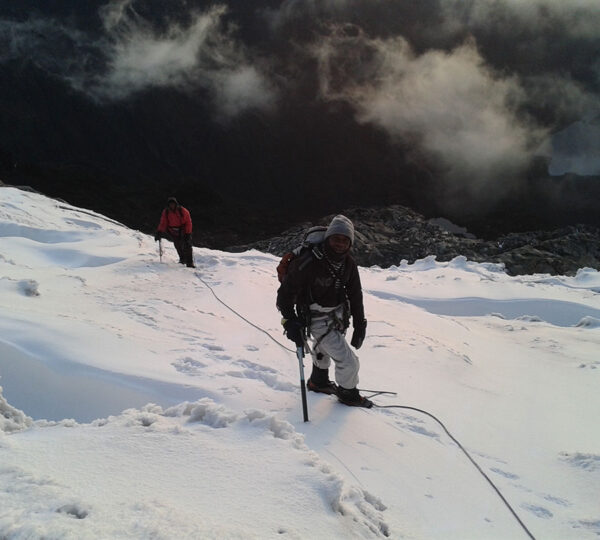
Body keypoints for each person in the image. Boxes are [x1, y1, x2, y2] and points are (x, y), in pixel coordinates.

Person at [276, 214, 370, 407]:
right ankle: (347, 393)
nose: (340, 244)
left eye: (345, 240)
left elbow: (355, 294)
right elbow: (284, 294)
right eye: (336, 239)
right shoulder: (308, 262)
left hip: (337, 315)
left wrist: (360, 325)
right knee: (349, 362)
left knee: (322, 348)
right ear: (328, 238)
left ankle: (318, 381)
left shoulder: (348, 263)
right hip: (315, 316)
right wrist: (290, 320)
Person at [154, 197, 195, 268]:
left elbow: (188, 222)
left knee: (187, 245)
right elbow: (163, 223)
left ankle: (190, 262)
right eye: (170, 204)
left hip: (183, 230)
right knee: (177, 245)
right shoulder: (166, 212)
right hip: (173, 231)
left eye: (173, 204)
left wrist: (188, 233)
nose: (172, 206)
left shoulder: (183, 211)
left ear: (176, 204)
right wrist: (159, 232)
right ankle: (182, 259)